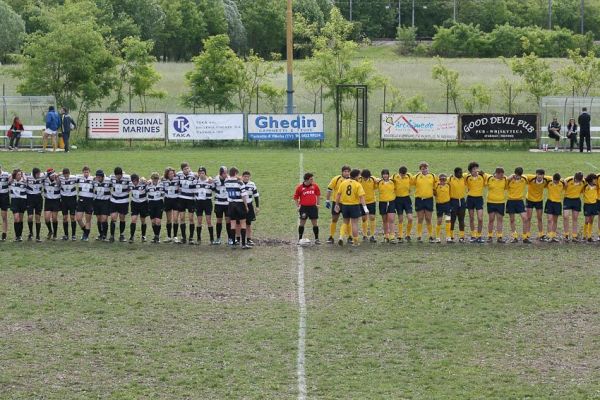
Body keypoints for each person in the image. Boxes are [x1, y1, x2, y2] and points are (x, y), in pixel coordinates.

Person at [334, 168, 368, 246]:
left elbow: (338, 194)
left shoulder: (343, 183)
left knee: (345, 222)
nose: (359, 177)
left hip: (345, 206)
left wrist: (336, 204)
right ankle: (355, 241)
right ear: (356, 176)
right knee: (354, 223)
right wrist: (365, 208)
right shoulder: (357, 184)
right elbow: (361, 197)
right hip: (354, 206)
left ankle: (341, 237)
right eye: (359, 176)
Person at [225, 167, 250, 249]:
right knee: (243, 223)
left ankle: (232, 244)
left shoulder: (226, 181)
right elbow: (243, 195)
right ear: (235, 173)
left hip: (231, 204)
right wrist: (246, 206)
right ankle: (243, 244)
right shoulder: (240, 183)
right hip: (239, 204)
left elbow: (228, 178)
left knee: (233, 224)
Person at [326, 165, 351, 244]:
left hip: (347, 203)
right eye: (345, 171)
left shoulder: (352, 180)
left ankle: (349, 237)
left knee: (347, 220)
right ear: (342, 172)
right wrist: (327, 200)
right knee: (334, 219)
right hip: (336, 203)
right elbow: (329, 189)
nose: (346, 173)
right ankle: (331, 237)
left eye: (348, 171)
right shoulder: (336, 179)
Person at [294, 172, 321, 244]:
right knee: (302, 223)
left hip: (313, 207)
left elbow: (318, 195)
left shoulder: (315, 186)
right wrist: (298, 206)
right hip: (303, 208)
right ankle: (300, 239)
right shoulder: (299, 188)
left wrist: (318, 204)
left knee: (315, 223)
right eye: (311, 179)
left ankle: (317, 239)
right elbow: (296, 198)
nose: (312, 180)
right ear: (306, 180)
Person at [413, 162, 437, 243]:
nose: (425, 170)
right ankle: (419, 236)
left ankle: (430, 235)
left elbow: (437, 184)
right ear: (420, 169)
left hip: (429, 199)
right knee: (420, 218)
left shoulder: (432, 176)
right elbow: (408, 183)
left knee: (428, 218)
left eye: (426, 168)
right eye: (423, 169)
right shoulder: (416, 176)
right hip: (419, 199)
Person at [524, 169, 550, 241]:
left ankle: (541, 234)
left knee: (539, 218)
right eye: (538, 174)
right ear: (536, 174)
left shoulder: (546, 179)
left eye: (541, 175)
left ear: (543, 175)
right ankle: (527, 234)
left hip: (539, 201)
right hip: (529, 200)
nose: (539, 176)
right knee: (528, 217)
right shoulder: (530, 178)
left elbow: (555, 178)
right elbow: (522, 176)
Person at [506, 167, 530, 243]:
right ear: (514, 173)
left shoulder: (524, 179)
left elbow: (533, 177)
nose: (518, 176)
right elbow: (503, 182)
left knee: (525, 218)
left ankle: (525, 237)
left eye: (519, 175)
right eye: (517, 175)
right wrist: (509, 178)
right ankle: (514, 237)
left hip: (520, 201)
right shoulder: (509, 180)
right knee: (512, 220)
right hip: (511, 201)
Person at [485, 167, 507, 243]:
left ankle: (499, 236)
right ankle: (490, 236)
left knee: (500, 220)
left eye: (503, 175)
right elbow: (483, 174)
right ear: (496, 174)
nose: (502, 176)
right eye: (501, 175)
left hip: (500, 202)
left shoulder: (505, 179)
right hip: (491, 202)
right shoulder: (489, 178)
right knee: (491, 219)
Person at [465, 161, 486, 242]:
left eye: (476, 168)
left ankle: (479, 236)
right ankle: (473, 235)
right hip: (470, 199)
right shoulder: (467, 177)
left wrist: (483, 173)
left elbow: (492, 177)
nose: (476, 170)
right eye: (474, 168)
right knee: (471, 218)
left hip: (479, 199)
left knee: (480, 218)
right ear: (470, 170)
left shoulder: (482, 176)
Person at [109, 167, 131, 242]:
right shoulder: (111, 177)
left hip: (124, 201)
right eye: (116, 175)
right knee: (113, 217)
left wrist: (127, 191)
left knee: (122, 217)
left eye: (119, 175)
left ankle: (122, 235)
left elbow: (133, 184)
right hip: (114, 200)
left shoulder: (127, 178)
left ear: (122, 174)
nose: (118, 177)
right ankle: (112, 236)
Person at [176, 162, 197, 244]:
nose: (187, 170)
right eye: (185, 169)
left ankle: (191, 237)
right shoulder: (179, 175)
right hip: (181, 199)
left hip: (191, 199)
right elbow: (168, 176)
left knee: (191, 218)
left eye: (188, 168)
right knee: (181, 218)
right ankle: (183, 237)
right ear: (182, 170)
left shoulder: (194, 175)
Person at [392, 166, 413, 242]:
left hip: (407, 199)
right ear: (399, 173)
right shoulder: (394, 176)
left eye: (404, 174)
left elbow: (414, 181)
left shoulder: (409, 176)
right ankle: (400, 236)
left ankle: (408, 235)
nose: (403, 176)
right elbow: (388, 181)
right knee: (400, 219)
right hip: (398, 200)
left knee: (410, 218)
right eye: (402, 174)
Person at [195, 167, 215, 244]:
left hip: (207, 202)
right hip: (198, 202)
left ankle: (212, 239)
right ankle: (199, 239)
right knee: (199, 221)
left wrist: (212, 181)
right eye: (200, 173)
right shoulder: (195, 181)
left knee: (208, 221)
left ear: (205, 173)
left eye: (203, 173)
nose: (201, 174)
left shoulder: (209, 181)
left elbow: (215, 188)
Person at [563, 172, 585, 242]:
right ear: (574, 178)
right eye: (576, 180)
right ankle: (566, 235)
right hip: (567, 199)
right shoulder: (568, 180)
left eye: (579, 180)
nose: (578, 181)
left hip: (576, 200)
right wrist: (564, 181)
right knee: (565, 216)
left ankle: (574, 236)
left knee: (575, 218)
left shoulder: (583, 181)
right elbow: (562, 180)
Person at [75, 166, 95, 241]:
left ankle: (86, 236)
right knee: (78, 218)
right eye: (84, 172)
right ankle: (85, 231)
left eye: (87, 172)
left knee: (88, 220)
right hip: (81, 200)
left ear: (89, 172)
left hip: (89, 201)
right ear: (82, 172)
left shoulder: (93, 179)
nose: (86, 173)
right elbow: (71, 177)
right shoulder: (79, 178)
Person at [25, 167, 44, 242]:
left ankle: (38, 236)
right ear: (34, 174)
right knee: (30, 217)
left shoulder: (42, 175)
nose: (39, 175)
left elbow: (50, 173)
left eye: (39, 173)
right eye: (37, 174)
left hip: (39, 198)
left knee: (37, 217)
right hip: (30, 198)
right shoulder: (28, 176)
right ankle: (30, 232)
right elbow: (20, 174)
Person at [58, 168, 78, 240]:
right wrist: (59, 174)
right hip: (64, 200)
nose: (66, 176)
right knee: (65, 218)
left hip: (72, 199)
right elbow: (57, 180)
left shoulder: (74, 178)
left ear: (69, 173)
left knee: (72, 217)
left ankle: (73, 235)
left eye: (67, 174)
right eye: (65, 175)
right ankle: (66, 235)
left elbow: (81, 177)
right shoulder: (61, 178)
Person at [358, 169, 377, 243]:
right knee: (364, 218)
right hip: (361, 202)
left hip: (371, 201)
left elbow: (378, 182)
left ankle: (372, 235)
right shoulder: (358, 180)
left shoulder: (373, 179)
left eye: (367, 178)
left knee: (372, 217)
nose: (365, 179)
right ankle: (364, 235)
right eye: (364, 178)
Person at [377, 169, 396, 243]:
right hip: (382, 203)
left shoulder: (393, 182)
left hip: (391, 202)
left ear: (388, 174)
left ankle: (392, 236)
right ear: (382, 175)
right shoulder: (379, 182)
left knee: (391, 219)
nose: (385, 175)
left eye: (386, 174)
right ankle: (386, 235)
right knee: (384, 220)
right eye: (383, 174)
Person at [213, 166, 231, 245]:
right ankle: (218, 238)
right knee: (219, 220)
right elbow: (212, 188)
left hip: (227, 203)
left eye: (226, 172)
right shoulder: (216, 179)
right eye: (224, 173)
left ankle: (230, 238)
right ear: (220, 173)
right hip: (218, 203)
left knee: (228, 220)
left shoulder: (229, 179)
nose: (226, 174)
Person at [448, 167, 467, 243]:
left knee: (461, 219)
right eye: (459, 173)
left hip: (462, 201)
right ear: (455, 173)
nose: (461, 174)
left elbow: (471, 174)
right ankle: (451, 236)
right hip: (453, 201)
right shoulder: (450, 179)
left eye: (461, 172)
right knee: (452, 219)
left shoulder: (464, 178)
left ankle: (461, 237)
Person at [241, 171, 259, 246]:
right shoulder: (239, 184)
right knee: (239, 223)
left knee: (248, 223)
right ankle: (238, 239)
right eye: (245, 176)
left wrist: (257, 206)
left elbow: (256, 195)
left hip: (249, 205)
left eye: (247, 176)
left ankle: (249, 239)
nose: (246, 178)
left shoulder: (252, 184)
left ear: (249, 177)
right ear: (242, 177)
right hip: (240, 205)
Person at [545, 174, 564, 242]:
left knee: (555, 220)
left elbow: (567, 185)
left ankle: (553, 236)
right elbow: (544, 177)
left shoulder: (562, 183)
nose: (555, 182)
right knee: (549, 219)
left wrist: (563, 180)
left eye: (557, 181)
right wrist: (550, 177)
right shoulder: (549, 182)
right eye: (554, 181)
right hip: (549, 203)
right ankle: (549, 235)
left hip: (558, 203)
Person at [93, 170, 112, 241]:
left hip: (106, 201)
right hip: (97, 201)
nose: (98, 178)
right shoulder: (94, 180)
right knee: (99, 219)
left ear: (103, 176)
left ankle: (104, 235)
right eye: (97, 177)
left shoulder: (108, 180)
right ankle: (100, 234)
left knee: (104, 218)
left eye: (99, 177)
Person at [9, 169, 28, 241]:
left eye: (20, 174)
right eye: (18, 174)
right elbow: (9, 181)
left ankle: (19, 236)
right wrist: (13, 174)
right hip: (14, 201)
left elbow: (26, 180)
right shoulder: (12, 181)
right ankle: (17, 236)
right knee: (16, 218)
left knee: (20, 219)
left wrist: (23, 174)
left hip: (22, 201)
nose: (19, 176)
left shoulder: (24, 181)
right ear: (15, 175)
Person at [43, 169, 61, 240]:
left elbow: (59, 184)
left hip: (56, 200)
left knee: (54, 218)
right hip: (48, 200)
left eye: (54, 175)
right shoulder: (45, 180)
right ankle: (50, 231)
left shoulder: (57, 179)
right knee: (46, 218)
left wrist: (57, 176)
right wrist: (47, 174)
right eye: (52, 175)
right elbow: (41, 176)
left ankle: (55, 234)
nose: (53, 176)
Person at [129, 174, 148, 243]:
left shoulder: (143, 183)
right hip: (134, 204)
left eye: (135, 181)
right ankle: (131, 236)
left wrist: (146, 181)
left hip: (143, 203)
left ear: (138, 180)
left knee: (143, 220)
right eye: (133, 181)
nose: (134, 183)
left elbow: (149, 184)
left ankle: (143, 236)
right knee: (133, 220)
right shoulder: (130, 184)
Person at [162, 167, 179, 243]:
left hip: (176, 200)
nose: (171, 175)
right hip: (168, 200)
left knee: (175, 219)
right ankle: (169, 237)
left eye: (172, 173)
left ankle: (175, 236)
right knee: (169, 220)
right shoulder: (163, 180)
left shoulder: (177, 179)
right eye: (170, 174)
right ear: (167, 174)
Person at [146, 172, 164, 243]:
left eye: (157, 178)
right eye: (154, 178)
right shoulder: (148, 185)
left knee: (158, 221)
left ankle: (157, 236)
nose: (155, 180)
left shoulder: (162, 185)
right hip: (151, 203)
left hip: (159, 203)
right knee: (153, 222)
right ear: (151, 179)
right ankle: (155, 236)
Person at [433, 173, 452, 243]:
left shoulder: (448, 185)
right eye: (441, 180)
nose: (442, 181)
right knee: (439, 221)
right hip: (439, 205)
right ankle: (438, 237)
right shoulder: (436, 185)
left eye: (444, 180)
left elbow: (450, 194)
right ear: (439, 179)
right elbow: (434, 193)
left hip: (447, 204)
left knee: (448, 220)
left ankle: (448, 237)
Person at [582, 173, 598, 242]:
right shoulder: (585, 186)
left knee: (591, 220)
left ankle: (589, 236)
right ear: (591, 180)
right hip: (587, 205)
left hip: (594, 205)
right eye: (594, 179)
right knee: (587, 220)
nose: (595, 180)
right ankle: (584, 235)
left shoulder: (596, 186)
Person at [0, 165, 10, 241]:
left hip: (4, 196)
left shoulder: (6, 174)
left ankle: (4, 233)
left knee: (4, 216)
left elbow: (13, 178)